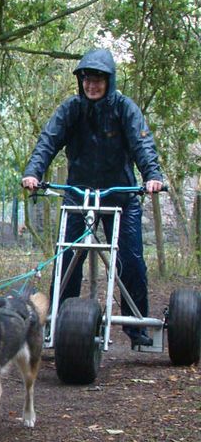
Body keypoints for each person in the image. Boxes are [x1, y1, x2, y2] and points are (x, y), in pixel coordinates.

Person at [21, 48, 164, 348]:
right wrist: (34, 172)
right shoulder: (71, 109)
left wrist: (152, 176)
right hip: (79, 195)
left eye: (98, 79)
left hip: (121, 197)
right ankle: (59, 327)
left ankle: (137, 329)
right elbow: (48, 140)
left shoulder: (125, 109)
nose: (92, 85)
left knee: (131, 260)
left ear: (109, 81)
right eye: (87, 79)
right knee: (67, 260)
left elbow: (143, 145)